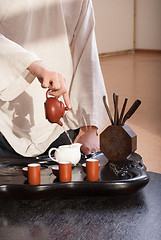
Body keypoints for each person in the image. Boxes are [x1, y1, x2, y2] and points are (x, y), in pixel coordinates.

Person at [0, 0, 108, 157]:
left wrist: (89, 128)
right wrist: (34, 65)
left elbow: (86, 52)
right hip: (4, 118)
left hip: (58, 125)